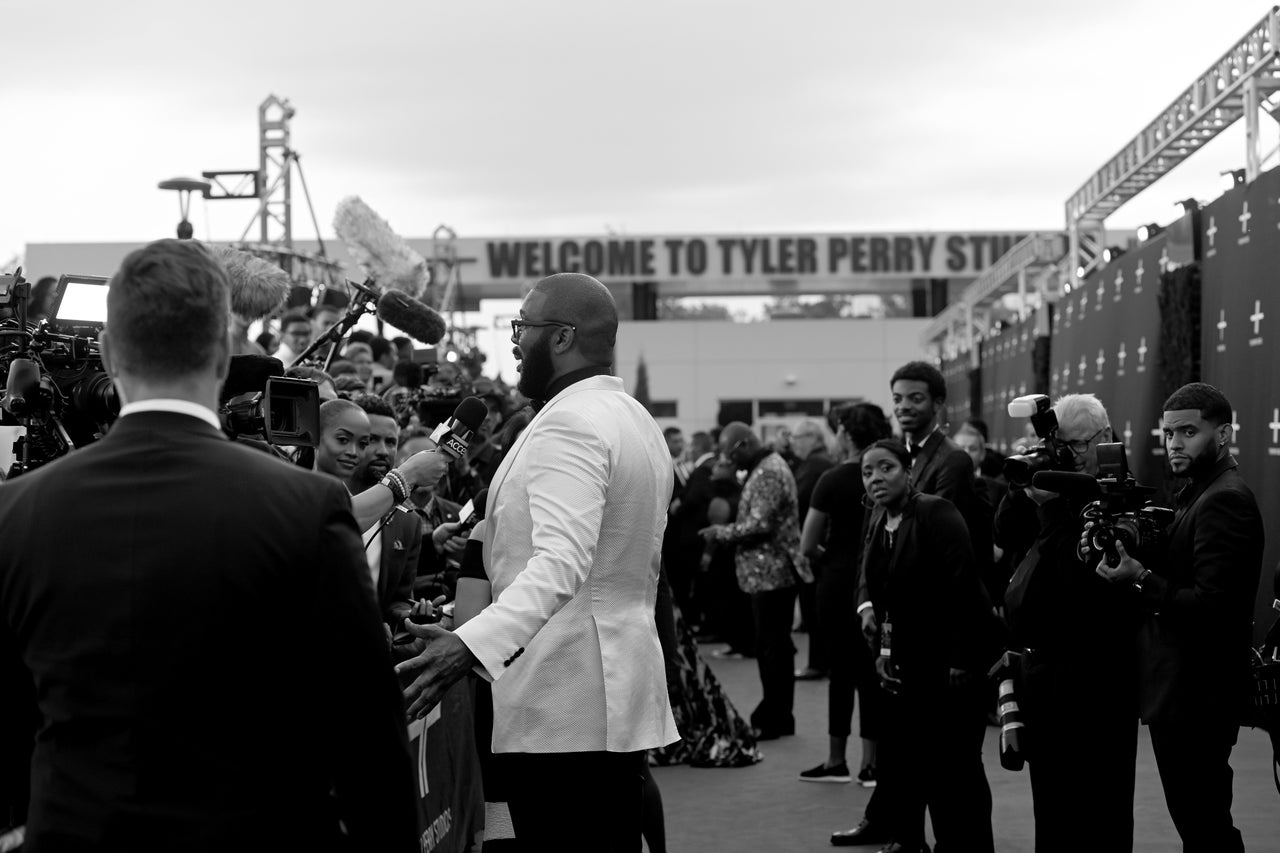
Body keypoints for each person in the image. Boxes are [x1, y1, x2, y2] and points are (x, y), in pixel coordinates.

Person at [0, 239, 421, 852]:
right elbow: (365, 733)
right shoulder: (306, 507)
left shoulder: (17, 511)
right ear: (223, 356)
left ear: (109, 351)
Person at [393, 272, 678, 852]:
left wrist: (470, 644)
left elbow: (558, 565)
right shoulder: (633, 417)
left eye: (524, 326)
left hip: (564, 701)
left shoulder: (570, 424)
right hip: (611, 693)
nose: (516, 341)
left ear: (564, 336)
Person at [1091, 382, 1263, 853]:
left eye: (1188, 431)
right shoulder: (1196, 492)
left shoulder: (1225, 499)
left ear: (1223, 434)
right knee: (1199, 824)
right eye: (1169, 434)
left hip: (1199, 696)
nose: (1175, 443)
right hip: (1184, 694)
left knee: (1206, 827)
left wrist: (1140, 577)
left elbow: (1212, 608)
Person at [995, 393, 1139, 853]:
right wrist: (1026, 488)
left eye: (1078, 446)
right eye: (1063, 447)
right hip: (1045, 676)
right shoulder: (1053, 487)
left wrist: (1055, 506)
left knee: (1099, 811)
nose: (1071, 457)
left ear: (1106, 436)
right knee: (1052, 808)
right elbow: (1006, 535)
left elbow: (1077, 580)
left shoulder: (1118, 493)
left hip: (1096, 678)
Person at [844, 439, 998, 853]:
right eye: (867, 471)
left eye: (886, 468)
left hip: (950, 666)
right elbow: (887, 600)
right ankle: (910, 842)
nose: (876, 477)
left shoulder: (935, 511)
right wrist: (884, 655)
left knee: (956, 775)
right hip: (908, 667)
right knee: (914, 767)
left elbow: (966, 589)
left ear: (908, 471)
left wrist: (961, 659)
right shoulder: (880, 518)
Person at [701, 422, 812, 740]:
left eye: (731, 454)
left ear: (745, 444)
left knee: (772, 648)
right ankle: (777, 714)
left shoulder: (767, 472)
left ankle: (775, 718)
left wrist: (720, 533)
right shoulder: (767, 466)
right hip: (769, 573)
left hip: (772, 574)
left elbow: (759, 524)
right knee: (774, 647)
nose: (729, 461)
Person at [799, 403, 890, 787]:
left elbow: (807, 544)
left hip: (837, 582)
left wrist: (832, 557)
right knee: (873, 672)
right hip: (879, 581)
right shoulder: (893, 475)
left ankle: (837, 760)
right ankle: (872, 764)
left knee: (841, 672)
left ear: (847, 435)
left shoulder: (833, 479)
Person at [790, 418, 835, 680]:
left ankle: (818, 663)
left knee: (814, 608)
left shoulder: (815, 465)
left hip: (814, 546)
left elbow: (799, 500)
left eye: (797, 437)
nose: (793, 443)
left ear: (812, 438)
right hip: (814, 544)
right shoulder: (814, 463)